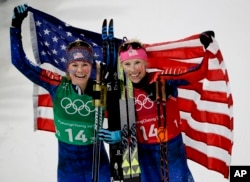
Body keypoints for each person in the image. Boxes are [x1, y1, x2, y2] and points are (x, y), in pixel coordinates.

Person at [10, 4, 110, 182]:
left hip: (98, 165)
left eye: (85, 64)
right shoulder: (57, 85)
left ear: (91, 67)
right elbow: (20, 63)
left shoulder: (100, 88)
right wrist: (15, 28)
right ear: (67, 67)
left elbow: (127, 110)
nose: (80, 70)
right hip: (68, 170)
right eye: (75, 65)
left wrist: (116, 135)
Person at [100, 33, 213, 181]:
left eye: (137, 62)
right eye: (127, 64)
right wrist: (117, 134)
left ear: (146, 63)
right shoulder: (121, 92)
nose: (133, 69)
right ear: (121, 67)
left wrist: (206, 50)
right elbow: (115, 120)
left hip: (170, 147)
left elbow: (195, 74)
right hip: (142, 150)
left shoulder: (161, 79)